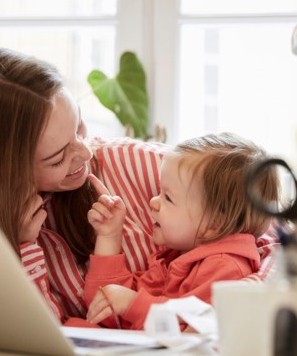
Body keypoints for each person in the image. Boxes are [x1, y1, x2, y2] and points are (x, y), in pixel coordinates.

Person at [0, 48, 278, 324]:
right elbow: (45, 337)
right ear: (3, 172)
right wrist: (25, 247)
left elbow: (268, 238)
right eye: (57, 157)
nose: (85, 152)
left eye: (80, 128)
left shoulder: (144, 167)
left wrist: (231, 304)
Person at [84, 133, 279, 329]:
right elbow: (105, 310)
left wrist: (132, 303)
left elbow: (192, 323)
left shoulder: (224, 266)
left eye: (167, 197)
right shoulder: (174, 257)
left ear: (214, 225)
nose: (153, 202)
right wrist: (109, 236)